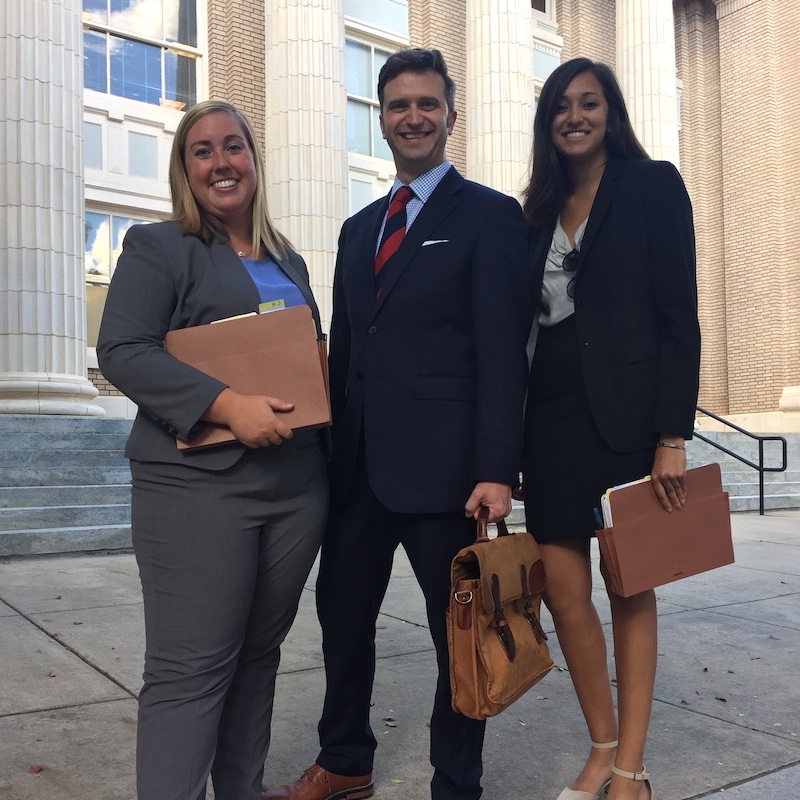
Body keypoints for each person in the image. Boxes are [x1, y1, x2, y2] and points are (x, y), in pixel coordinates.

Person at [262, 48, 530, 800]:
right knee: (342, 625)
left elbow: (504, 354)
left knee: (460, 642)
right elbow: (347, 352)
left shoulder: (487, 216)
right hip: (357, 475)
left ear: (451, 115)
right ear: (379, 117)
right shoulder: (357, 229)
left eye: (426, 104)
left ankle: (456, 783)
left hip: (449, 478)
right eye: (397, 105)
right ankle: (345, 759)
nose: (412, 117)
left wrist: (496, 469)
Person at [97, 100, 328, 800]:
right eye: (203, 150)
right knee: (189, 671)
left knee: (258, 660)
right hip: (197, 488)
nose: (221, 161)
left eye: (234, 146)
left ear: (255, 161)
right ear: (184, 169)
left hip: (296, 488)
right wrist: (228, 406)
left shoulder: (288, 258)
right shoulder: (159, 247)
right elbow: (122, 350)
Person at [520, 58, 700, 800]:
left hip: (629, 414)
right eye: (561, 106)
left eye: (588, 103)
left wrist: (672, 433)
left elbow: (678, 316)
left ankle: (631, 767)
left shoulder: (652, 183)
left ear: (609, 111)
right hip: (551, 413)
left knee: (631, 587)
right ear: (548, 121)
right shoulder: (534, 210)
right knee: (565, 591)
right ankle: (598, 747)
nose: (574, 116)